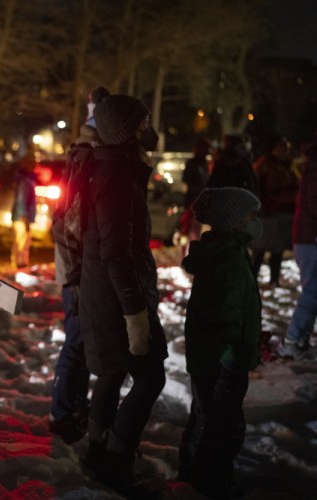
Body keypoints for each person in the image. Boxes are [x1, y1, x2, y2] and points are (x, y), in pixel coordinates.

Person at [80, 92, 167, 498]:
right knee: (150, 377)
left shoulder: (118, 168)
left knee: (113, 373)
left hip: (109, 292)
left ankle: (98, 451)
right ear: (123, 131)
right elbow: (116, 252)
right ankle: (115, 461)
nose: (147, 130)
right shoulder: (116, 176)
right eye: (141, 123)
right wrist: (135, 312)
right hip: (118, 297)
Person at [178, 187, 263, 498]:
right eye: (253, 216)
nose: (258, 222)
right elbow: (222, 315)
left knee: (210, 419)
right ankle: (210, 484)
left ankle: (195, 474)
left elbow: (236, 308)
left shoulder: (231, 252)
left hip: (219, 357)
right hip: (221, 361)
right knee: (220, 427)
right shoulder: (226, 259)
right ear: (235, 222)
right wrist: (232, 355)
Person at [49, 85, 109, 444]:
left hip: (81, 267)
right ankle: (62, 412)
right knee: (77, 338)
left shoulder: (88, 155)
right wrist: (75, 272)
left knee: (83, 340)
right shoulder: (86, 158)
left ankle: (72, 406)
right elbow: (68, 221)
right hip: (78, 270)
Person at [278, 131, 317, 359]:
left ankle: (300, 340)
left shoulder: (311, 167)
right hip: (310, 237)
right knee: (312, 292)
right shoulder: (315, 169)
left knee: (313, 291)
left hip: (308, 236)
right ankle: (291, 340)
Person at [250, 136, 298, 286]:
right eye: (281, 145)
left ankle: (274, 280)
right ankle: (251, 279)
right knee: (261, 247)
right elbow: (256, 187)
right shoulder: (263, 165)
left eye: (286, 145)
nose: (285, 148)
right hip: (268, 212)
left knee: (278, 248)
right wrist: (261, 207)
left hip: (285, 213)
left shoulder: (288, 165)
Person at [179, 138, 210, 254]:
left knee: (195, 231)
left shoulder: (204, 164)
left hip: (199, 201)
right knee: (186, 228)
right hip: (191, 201)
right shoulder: (192, 164)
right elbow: (186, 181)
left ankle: (191, 254)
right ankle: (182, 253)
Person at [10, 149, 37, 268]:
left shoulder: (24, 179)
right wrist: (25, 218)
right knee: (22, 242)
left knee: (19, 242)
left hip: (20, 217)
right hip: (22, 218)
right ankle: (20, 264)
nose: (35, 165)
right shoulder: (26, 181)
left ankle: (18, 263)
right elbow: (21, 201)